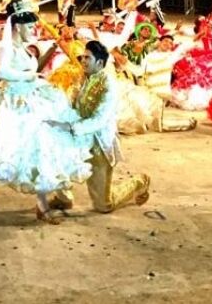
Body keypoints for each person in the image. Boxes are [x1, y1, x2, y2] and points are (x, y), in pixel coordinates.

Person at [0, 0, 92, 225]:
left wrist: (38, 75)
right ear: (17, 27)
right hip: (12, 104)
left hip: (34, 102)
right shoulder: (5, 48)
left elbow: (33, 69)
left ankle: (42, 205)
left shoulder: (26, 50)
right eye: (30, 27)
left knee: (38, 152)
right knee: (0, 153)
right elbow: (2, 72)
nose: (33, 31)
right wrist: (29, 76)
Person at [48, 40, 151, 213]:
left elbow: (100, 120)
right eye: (83, 58)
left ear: (100, 63)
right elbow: (72, 104)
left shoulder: (109, 85)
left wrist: (72, 128)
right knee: (54, 158)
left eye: (88, 58)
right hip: (78, 139)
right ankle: (63, 198)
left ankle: (140, 182)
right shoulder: (83, 77)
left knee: (103, 206)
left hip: (98, 144)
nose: (83, 61)